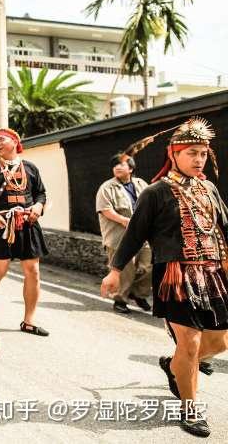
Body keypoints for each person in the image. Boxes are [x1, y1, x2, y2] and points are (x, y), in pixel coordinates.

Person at [102, 117, 228, 438]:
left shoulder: (209, 188)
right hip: (175, 276)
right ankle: (190, 408)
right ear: (174, 153)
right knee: (190, 343)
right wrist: (115, 271)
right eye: (192, 153)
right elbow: (134, 234)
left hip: (212, 273)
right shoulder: (155, 192)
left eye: (203, 153)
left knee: (220, 342)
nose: (199, 159)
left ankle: (175, 366)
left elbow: (223, 228)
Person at [0, 128, 49, 337]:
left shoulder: (31, 168)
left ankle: (29, 321)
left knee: (33, 271)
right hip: (2, 224)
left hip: (27, 224)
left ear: (15, 142)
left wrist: (38, 206)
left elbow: (41, 193)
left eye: (2, 139)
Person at [95, 152, 152, 314]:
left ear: (131, 168)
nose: (117, 167)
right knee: (125, 270)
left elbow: (151, 204)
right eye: (115, 165)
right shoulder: (107, 187)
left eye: (121, 164)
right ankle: (120, 300)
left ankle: (138, 294)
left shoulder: (141, 184)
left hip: (143, 234)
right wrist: (124, 220)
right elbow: (105, 209)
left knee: (148, 266)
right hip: (119, 236)